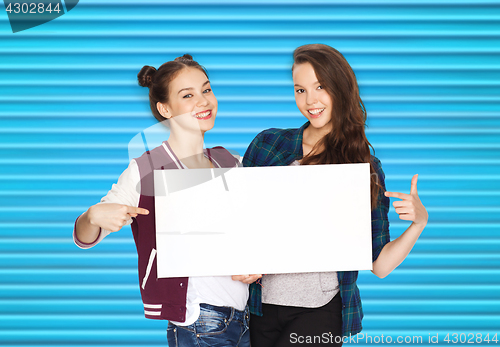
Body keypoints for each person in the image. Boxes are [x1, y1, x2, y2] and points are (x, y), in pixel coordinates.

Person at [242, 44, 429, 346]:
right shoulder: (268, 145)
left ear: (340, 89)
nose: (310, 101)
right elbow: (237, 221)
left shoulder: (363, 166)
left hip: (320, 312)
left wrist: (419, 223)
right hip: (259, 309)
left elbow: (379, 265)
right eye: (300, 90)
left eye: (320, 87)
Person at [73, 54, 259, 347]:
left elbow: (250, 231)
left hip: (245, 318)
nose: (204, 101)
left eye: (206, 90)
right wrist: (93, 216)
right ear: (165, 108)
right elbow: (86, 236)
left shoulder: (232, 161)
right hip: (199, 322)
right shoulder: (145, 168)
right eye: (188, 95)